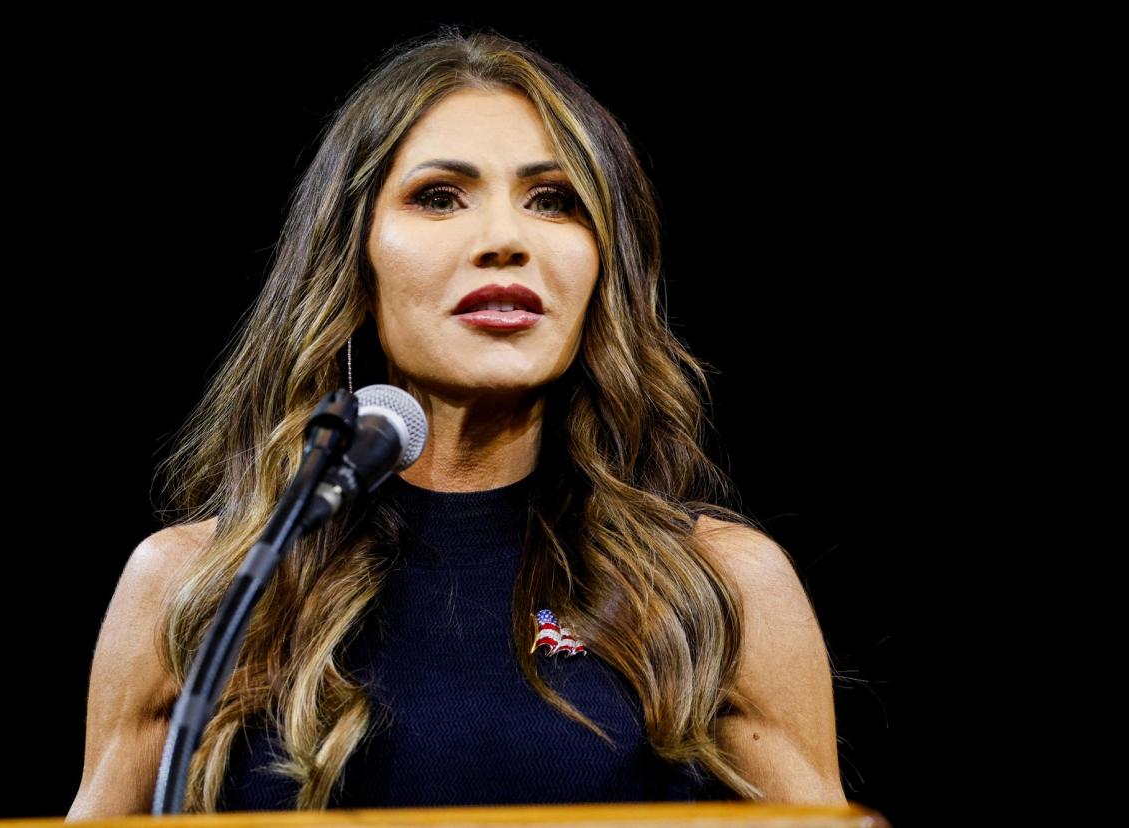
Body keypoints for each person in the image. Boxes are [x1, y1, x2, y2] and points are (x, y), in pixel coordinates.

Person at [65, 25, 846, 820]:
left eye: (554, 200)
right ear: (353, 259)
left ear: (602, 265)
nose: (505, 240)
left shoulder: (718, 587)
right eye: (439, 196)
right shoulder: (197, 586)